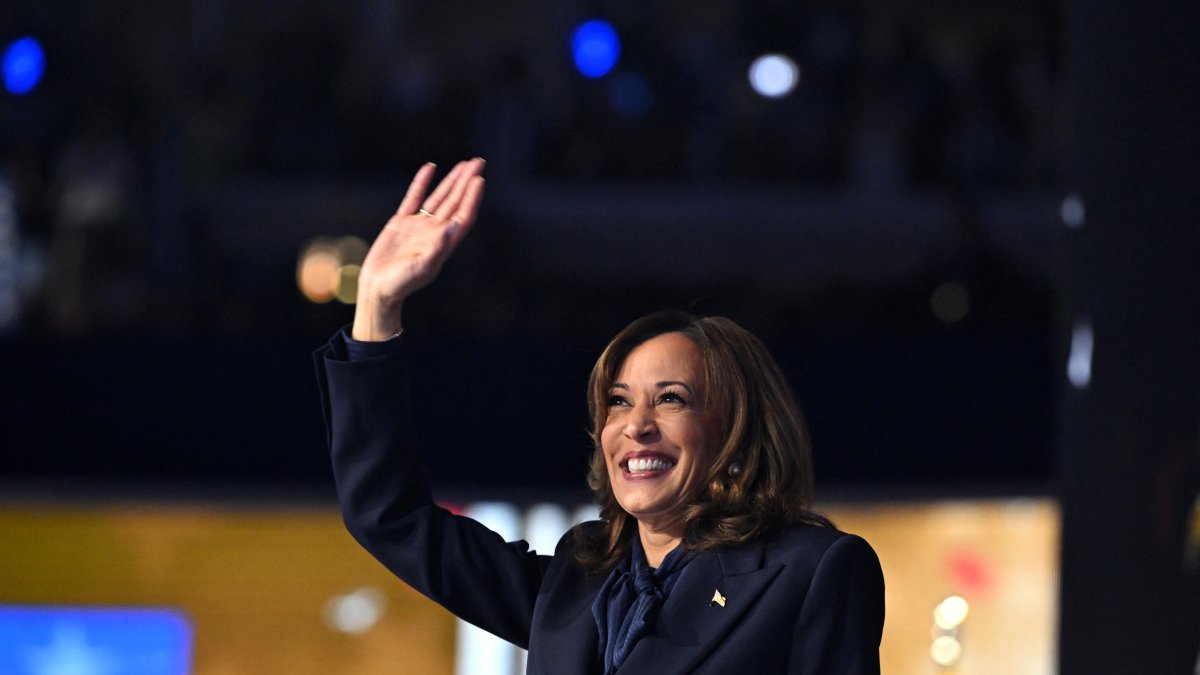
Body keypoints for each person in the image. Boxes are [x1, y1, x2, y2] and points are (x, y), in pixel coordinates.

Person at [314, 158, 885, 674]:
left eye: (670, 399)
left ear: (733, 431)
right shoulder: (576, 577)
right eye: (618, 400)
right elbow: (389, 515)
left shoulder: (811, 571)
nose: (635, 424)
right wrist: (377, 306)